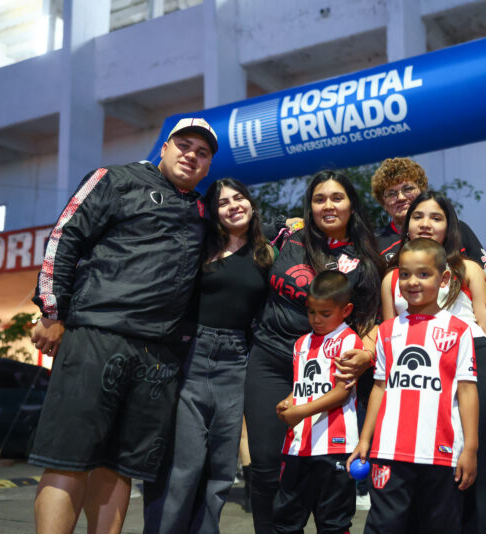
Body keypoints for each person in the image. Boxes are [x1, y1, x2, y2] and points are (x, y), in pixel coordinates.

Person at [28, 117, 217, 534]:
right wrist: (51, 313)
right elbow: (64, 238)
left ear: (208, 166)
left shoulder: (202, 210)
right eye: (184, 145)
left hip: (159, 356)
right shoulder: (115, 179)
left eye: (202, 153)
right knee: (68, 459)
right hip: (98, 335)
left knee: (119, 466)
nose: (192, 156)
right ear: (164, 147)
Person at [381, 191, 486, 534]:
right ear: (406, 224)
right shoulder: (391, 279)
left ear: (449, 227)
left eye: (436, 218)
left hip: (476, 369)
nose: (426, 224)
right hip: (419, 380)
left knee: (471, 478)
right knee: (424, 483)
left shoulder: (467, 269)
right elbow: (389, 338)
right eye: (418, 216)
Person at [244, 170, 382, 534]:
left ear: (352, 204)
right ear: (309, 205)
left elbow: (372, 319)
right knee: (265, 468)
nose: (328, 205)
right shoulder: (289, 234)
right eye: (320, 199)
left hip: (323, 372)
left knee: (321, 475)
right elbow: (242, 229)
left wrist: (367, 354)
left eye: (337, 197)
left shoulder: (365, 260)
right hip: (270, 359)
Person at [142, 178, 273, 534]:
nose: (233, 206)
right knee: (182, 465)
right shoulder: (199, 246)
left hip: (237, 360)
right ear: (213, 213)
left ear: (251, 202)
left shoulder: (266, 253)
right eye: (223, 202)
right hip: (192, 355)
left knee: (220, 470)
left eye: (239, 197)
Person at [348, 238, 479, 534]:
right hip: (389, 452)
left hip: (441, 455)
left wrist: (470, 448)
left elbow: (467, 391)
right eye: (405, 274)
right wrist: (365, 440)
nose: (412, 282)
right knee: (384, 527)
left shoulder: (459, 331)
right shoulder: (386, 331)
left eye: (423, 274)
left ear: (443, 278)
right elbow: (379, 388)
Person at [273, 271, 362, 534]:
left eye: (325, 313)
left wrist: (301, 411)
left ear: (346, 310)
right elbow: (300, 388)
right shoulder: (301, 343)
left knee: (333, 522)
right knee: (286, 520)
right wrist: (288, 403)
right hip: (297, 446)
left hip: (334, 446)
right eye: (311, 312)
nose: (316, 319)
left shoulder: (349, 340)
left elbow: (341, 392)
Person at [370, 157, 486, 316]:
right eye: (392, 193)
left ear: (422, 191)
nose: (401, 197)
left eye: (408, 189)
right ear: (383, 203)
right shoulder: (374, 243)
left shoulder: (457, 229)